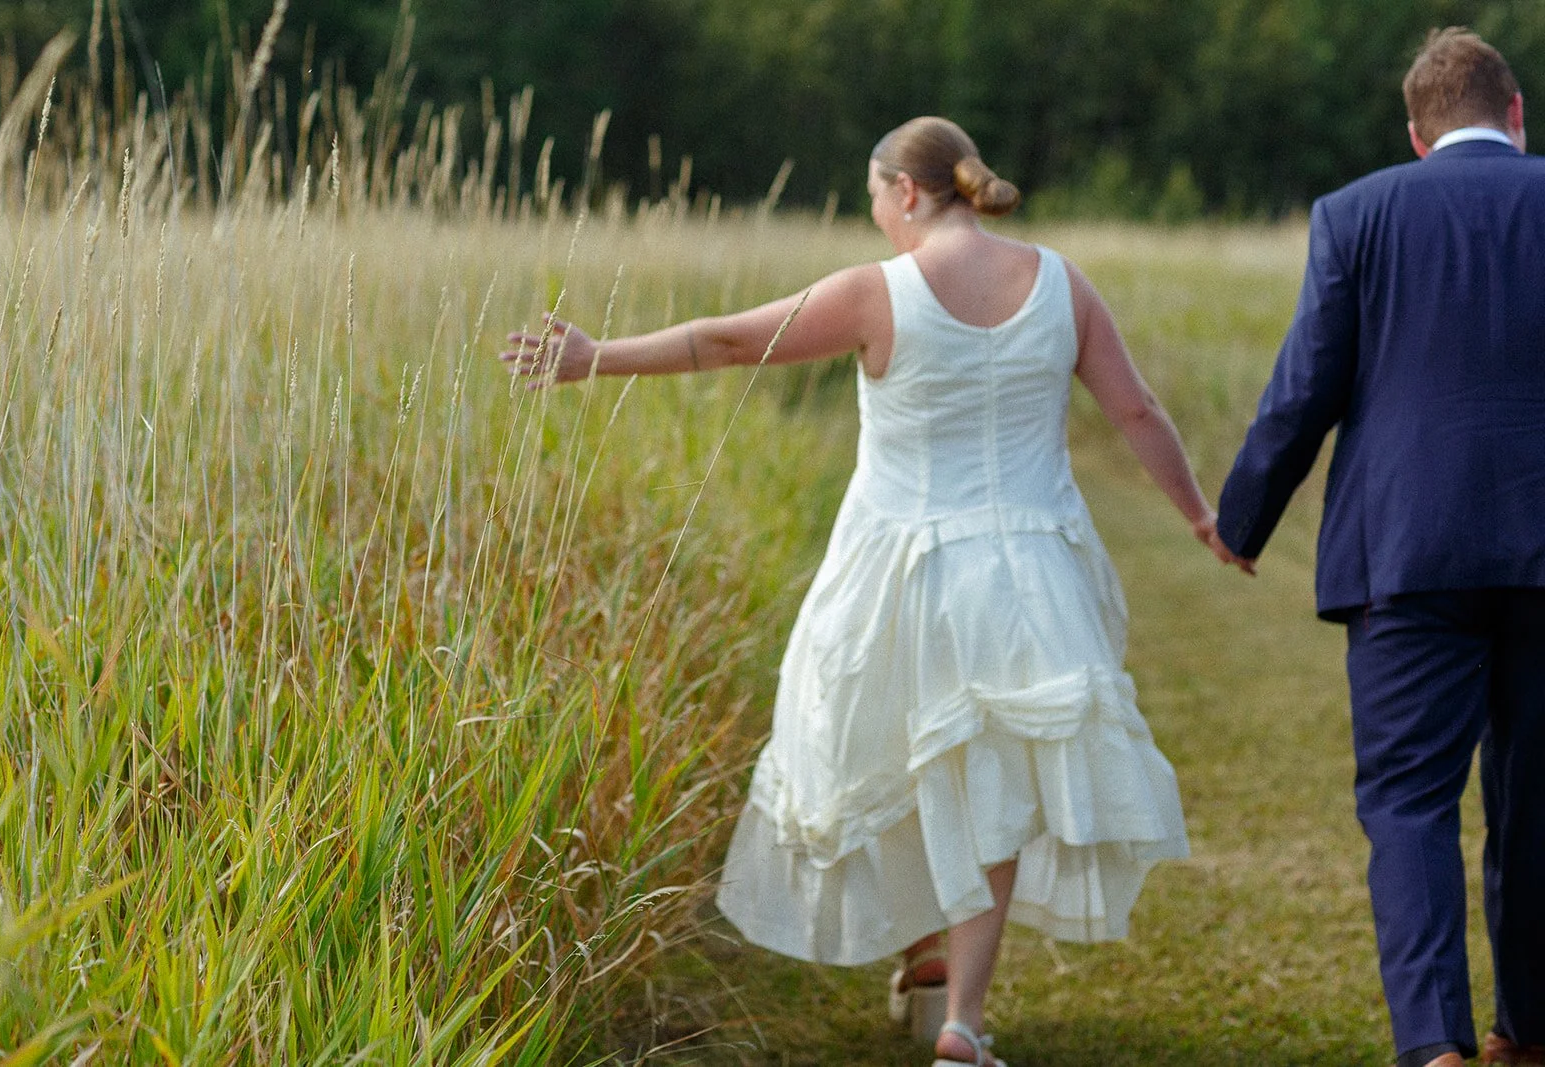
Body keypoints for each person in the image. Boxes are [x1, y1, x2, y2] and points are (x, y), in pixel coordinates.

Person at [506, 116, 1231, 1066]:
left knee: (899, 756)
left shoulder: (875, 293)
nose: (876, 218)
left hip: (902, 572)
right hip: (1031, 573)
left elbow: (728, 342)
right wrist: (1200, 516)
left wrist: (594, 357)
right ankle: (960, 1013)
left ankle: (935, 971)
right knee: (995, 783)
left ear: (904, 193)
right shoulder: (1062, 284)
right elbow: (1135, 409)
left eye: (873, 200)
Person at [1216, 28, 1545, 1067]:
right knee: (1536, 800)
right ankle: (1526, 1032)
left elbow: (1304, 387)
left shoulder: (1354, 214)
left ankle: (1434, 1044)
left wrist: (1241, 520)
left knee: (1407, 800)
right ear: (1516, 112)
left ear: (1415, 134)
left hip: (1406, 549)